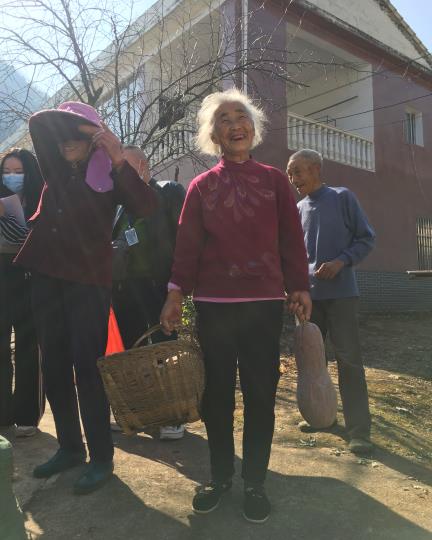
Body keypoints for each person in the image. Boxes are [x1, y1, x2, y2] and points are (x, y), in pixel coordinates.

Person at [160, 88, 311, 523]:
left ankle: (255, 482)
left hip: (263, 303)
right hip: (215, 305)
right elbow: (187, 246)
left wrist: (299, 286)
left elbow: (291, 238)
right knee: (217, 396)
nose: (234, 125)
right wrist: (175, 293)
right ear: (214, 135)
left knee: (261, 394)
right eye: (223, 120)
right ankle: (221, 477)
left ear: (253, 128)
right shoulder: (201, 187)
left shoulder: (274, 181)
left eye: (241, 116)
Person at [14, 102, 157, 495]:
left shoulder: (110, 174)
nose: (64, 143)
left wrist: (114, 154)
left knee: (87, 367)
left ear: (92, 139)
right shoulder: (55, 169)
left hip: (88, 281)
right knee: (54, 364)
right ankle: (70, 448)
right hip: (47, 277)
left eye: (74, 135)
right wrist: (75, 126)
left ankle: (101, 457)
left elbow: (146, 206)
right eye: (61, 136)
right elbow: (39, 123)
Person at [287, 148, 375, 455]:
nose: (293, 178)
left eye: (297, 171)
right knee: (312, 361)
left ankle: (359, 431)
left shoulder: (342, 197)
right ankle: (321, 416)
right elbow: (294, 256)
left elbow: (366, 238)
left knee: (349, 361)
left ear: (316, 169)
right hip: (308, 299)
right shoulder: (297, 209)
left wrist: (341, 261)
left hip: (341, 295)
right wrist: (293, 289)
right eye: (290, 174)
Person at [111, 145, 186, 440]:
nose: (123, 176)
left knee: (164, 350)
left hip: (159, 286)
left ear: (144, 166)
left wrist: (178, 288)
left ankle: (173, 415)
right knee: (132, 351)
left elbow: (184, 239)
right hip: (125, 288)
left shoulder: (167, 193)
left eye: (128, 168)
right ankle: (139, 412)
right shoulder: (119, 205)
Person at [0, 148, 45, 437]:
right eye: (7, 171)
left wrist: (8, 218)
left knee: (29, 347)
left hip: (28, 277)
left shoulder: (42, 199)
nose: (12, 177)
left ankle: (28, 414)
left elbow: (35, 240)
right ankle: (2, 412)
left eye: (18, 172)